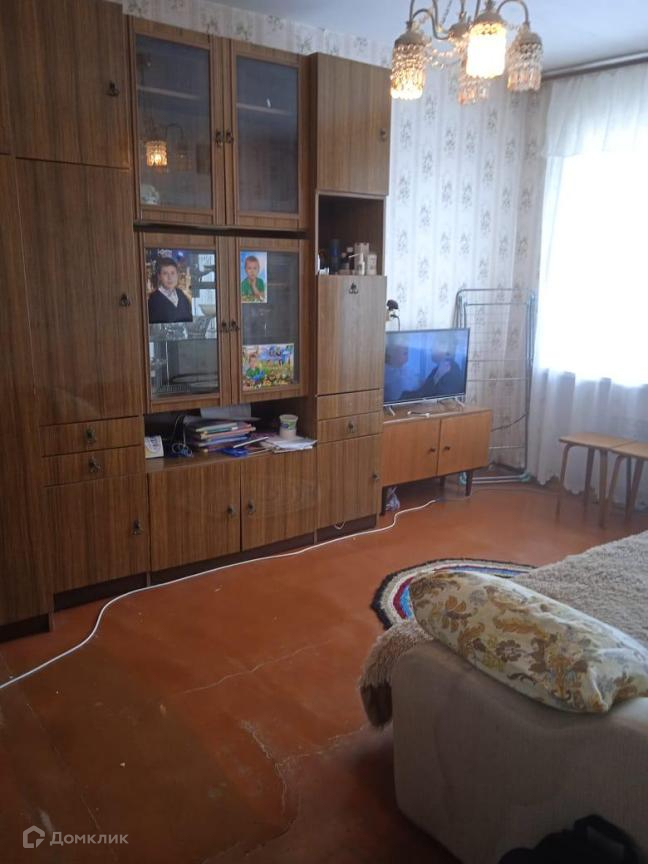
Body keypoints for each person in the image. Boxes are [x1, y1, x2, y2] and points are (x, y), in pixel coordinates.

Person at [148, 257, 193, 324]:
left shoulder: (181, 295)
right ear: (159, 276)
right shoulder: (153, 300)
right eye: (165, 273)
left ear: (177, 275)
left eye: (172, 273)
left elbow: (189, 319)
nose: (170, 277)